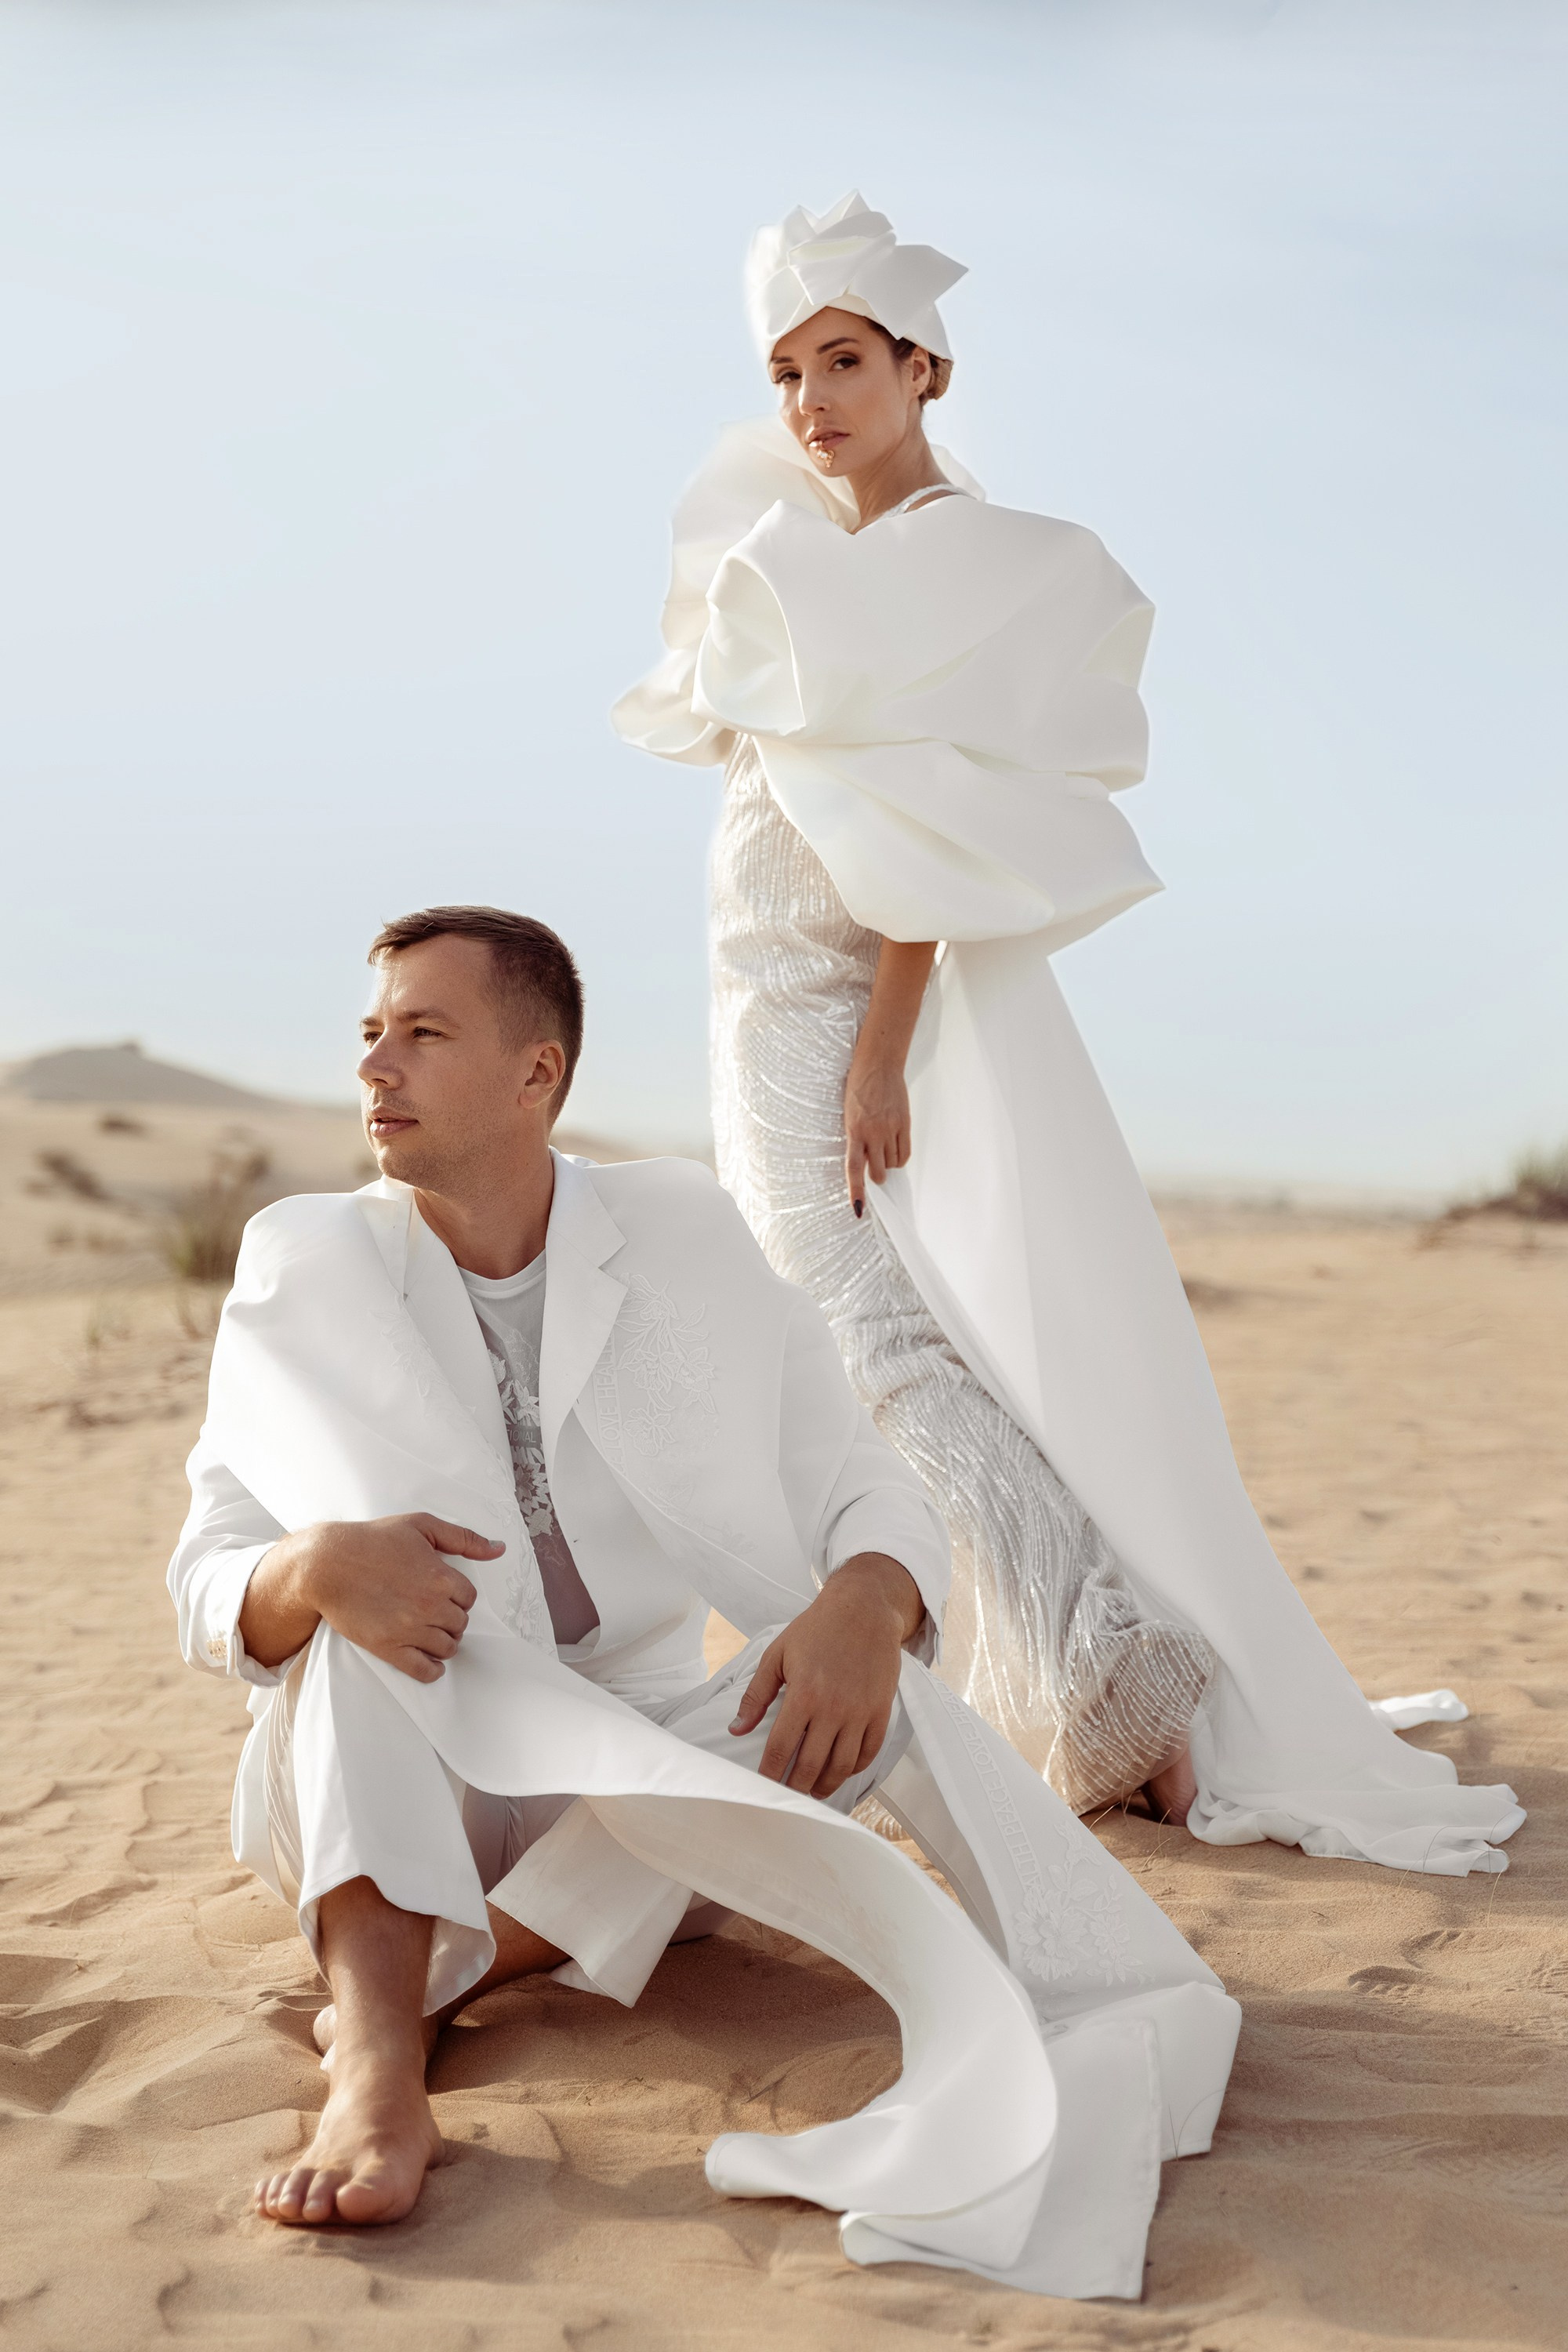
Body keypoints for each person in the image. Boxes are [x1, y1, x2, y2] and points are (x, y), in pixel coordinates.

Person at [612, 192, 1523, 1872]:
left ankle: (1116, 1671)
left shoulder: (968, 558)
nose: (811, 398)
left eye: (844, 361)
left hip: (832, 1008)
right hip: (753, 998)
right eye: (786, 368)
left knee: (869, 1345)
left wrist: (882, 1043)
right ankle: (1060, 1659)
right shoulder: (800, 544)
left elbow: (941, 834)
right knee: (870, 1339)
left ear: (923, 367)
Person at [168, 902, 1240, 2297]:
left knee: (873, 1692)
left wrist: (870, 1596)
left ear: (536, 1073)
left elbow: (866, 1477)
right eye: (371, 1035)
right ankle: (377, 2056)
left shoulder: (674, 1228)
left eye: (424, 1036)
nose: (377, 1067)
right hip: (403, 1760)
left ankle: (470, 1963)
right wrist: (302, 1573)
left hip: (637, 1782)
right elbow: (207, 1574)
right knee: (363, 1638)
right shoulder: (303, 1262)